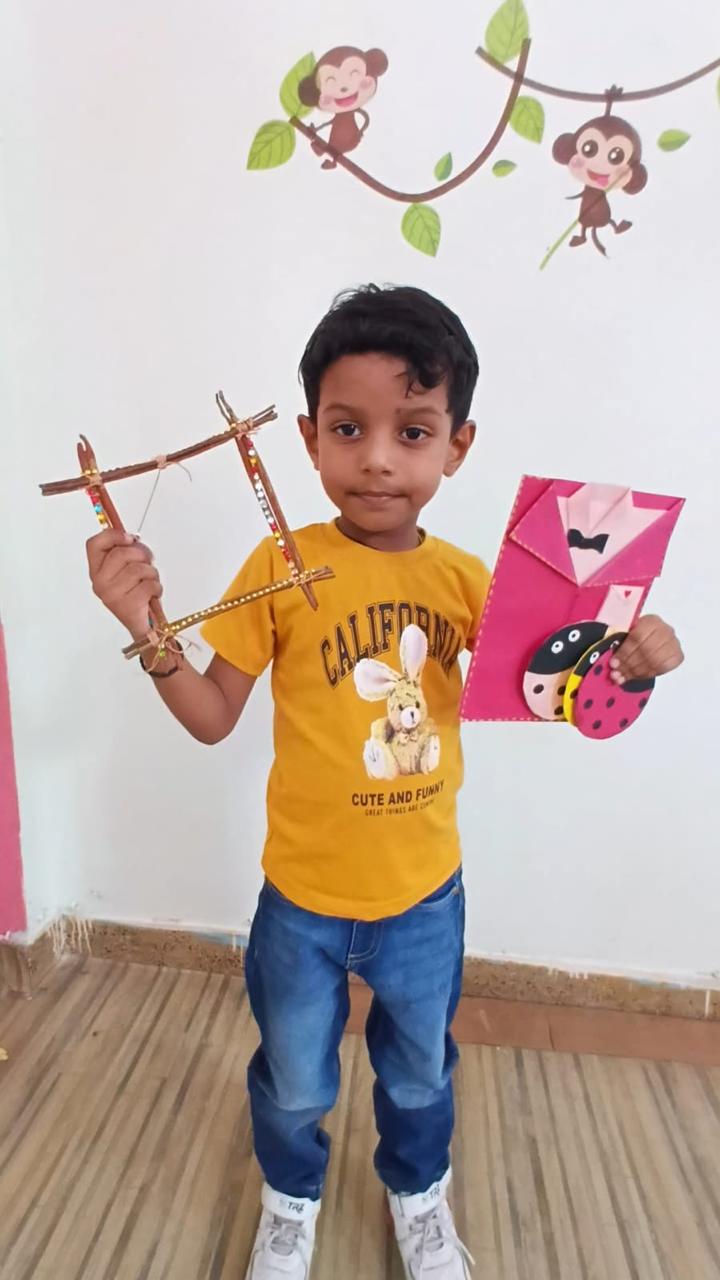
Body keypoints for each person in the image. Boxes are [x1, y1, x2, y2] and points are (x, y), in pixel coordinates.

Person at [86, 285, 684, 1280]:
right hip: (301, 901)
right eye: (347, 427)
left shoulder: (465, 583)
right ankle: (290, 1199)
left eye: (411, 431)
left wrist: (628, 663)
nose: (375, 457)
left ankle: (418, 1192)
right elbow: (213, 714)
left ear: (456, 445)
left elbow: (560, 692)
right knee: (293, 1081)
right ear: (309, 439)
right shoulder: (278, 566)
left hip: (422, 898)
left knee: (417, 1074)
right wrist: (147, 629)